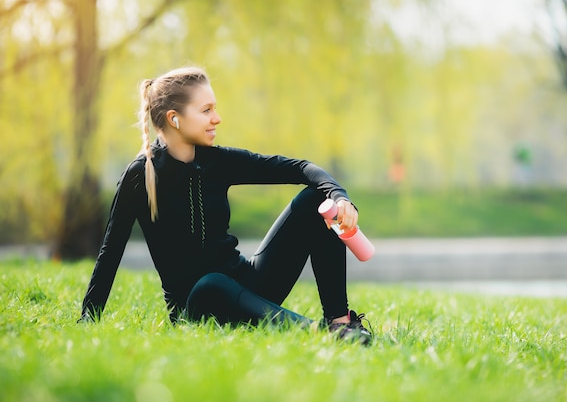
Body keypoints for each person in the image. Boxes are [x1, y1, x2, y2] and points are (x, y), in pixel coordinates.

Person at [78, 66, 372, 345]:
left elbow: (299, 168)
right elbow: (110, 252)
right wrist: (88, 321)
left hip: (248, 285)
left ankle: (340, 322)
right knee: (212, 284)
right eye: (206, 110)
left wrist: (339, 197)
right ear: (174, 118)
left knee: (316, 199)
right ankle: (315, 334)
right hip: (198, 305)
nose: (216, 118)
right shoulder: (140, 175)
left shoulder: (217, 161)